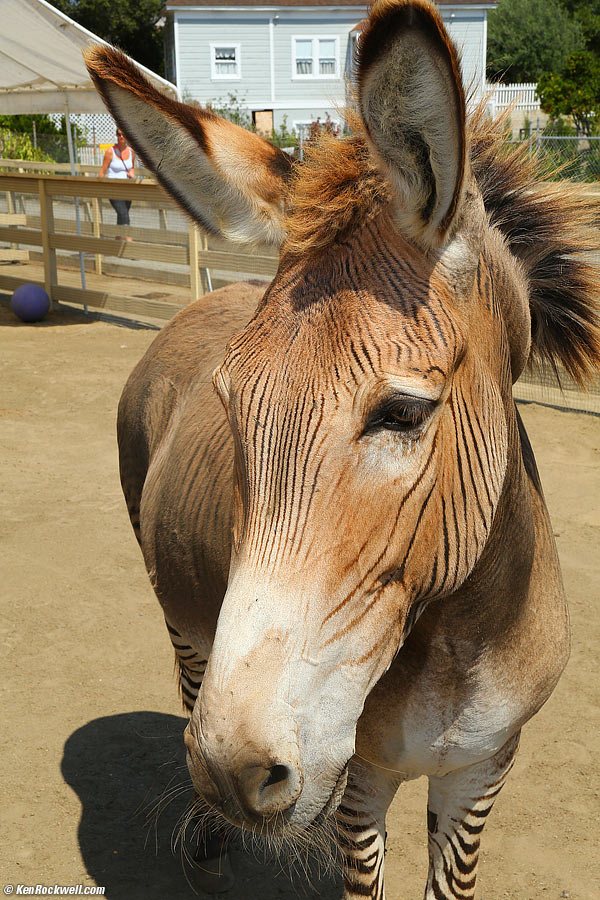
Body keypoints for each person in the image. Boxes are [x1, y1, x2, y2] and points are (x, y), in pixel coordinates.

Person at [99, 128, 135, 240]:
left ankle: (118, 237)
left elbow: (132, 167)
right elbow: (103, 171)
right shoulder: (110, 152)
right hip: (113, 189)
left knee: (123, 213)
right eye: (119, 134)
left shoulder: (131, 152)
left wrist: (132, 172)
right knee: (123, 213)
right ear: (116, 135)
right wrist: (97, 186)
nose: (121, 137)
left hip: (127, 188)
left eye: (123, 134)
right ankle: (128, 240)